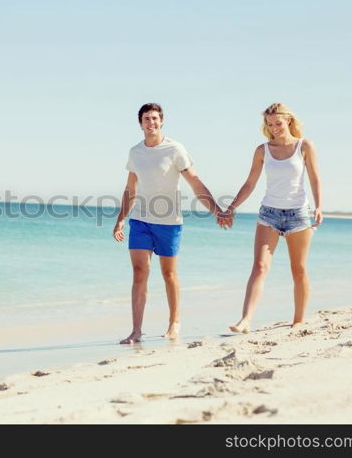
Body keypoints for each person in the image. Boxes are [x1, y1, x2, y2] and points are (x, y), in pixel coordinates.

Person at [113, 103, 228, 344]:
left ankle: (174, 323)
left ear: (162, 121)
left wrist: (216, 210)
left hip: (169, 221)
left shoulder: (175, 149)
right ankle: (136, 330)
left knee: (168, 273)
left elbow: (195, 182)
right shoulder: (135, 152)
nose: (151, 122)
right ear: (140, 123)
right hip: (141, 220)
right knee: (139, 272)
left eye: (155, 118)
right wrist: (121, 219)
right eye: (146, 119)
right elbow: (130, 189)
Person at [219, 102, 322, 333]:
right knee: (260, 267)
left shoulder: (304, 146)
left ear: (288, 121)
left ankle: (298, 320)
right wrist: (231, 207)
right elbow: (250, 183)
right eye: (269, 124)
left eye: (278, 123)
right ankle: (245, 320)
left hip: (298, 214)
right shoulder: (262, 150)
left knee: (299, 269)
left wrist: (319, 206)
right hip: (269, 214)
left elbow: (315, 178)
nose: (274, 128)